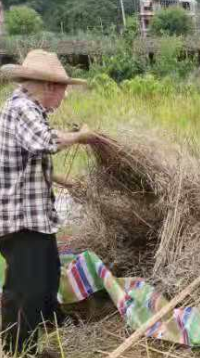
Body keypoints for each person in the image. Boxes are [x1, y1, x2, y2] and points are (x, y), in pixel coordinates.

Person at [0, 49, 97, 357]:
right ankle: (18, 348)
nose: (64, 98)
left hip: (34, 214)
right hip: (18, 217)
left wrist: (69, 183)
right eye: (64, 90)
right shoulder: (23, 107)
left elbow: (29, 159)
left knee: (49, 272)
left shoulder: (30, 109)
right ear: (50, 87)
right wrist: (81, 137)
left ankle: (49, 320)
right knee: (26, 287)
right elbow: (44, 143)